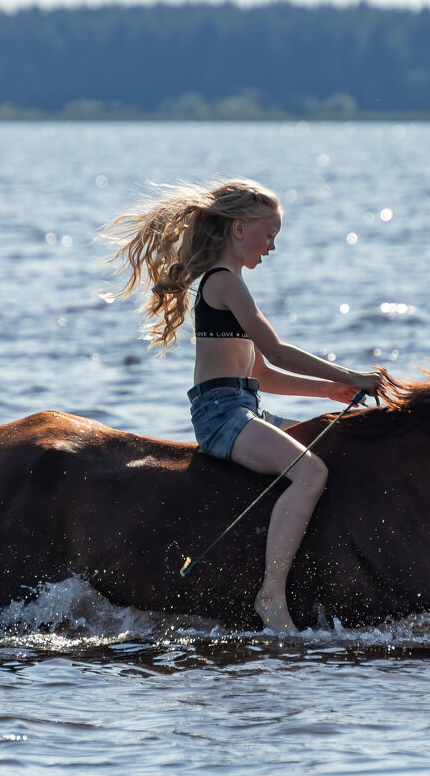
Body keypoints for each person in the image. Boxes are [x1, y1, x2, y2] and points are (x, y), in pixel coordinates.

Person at [105, 178, 387, 632]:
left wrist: (328, 393)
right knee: (311, 471)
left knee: (332, 449)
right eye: (269, 235)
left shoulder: (230, 283)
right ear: (239, 230)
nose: (272, 246)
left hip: (243, 406)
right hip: (223, 417)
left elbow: (262, 375)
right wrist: (347, 375)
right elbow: (275, 350)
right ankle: (271, 596)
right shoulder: (224, 284)